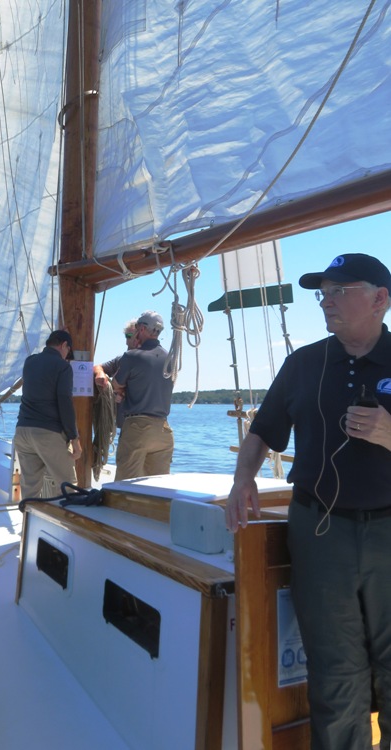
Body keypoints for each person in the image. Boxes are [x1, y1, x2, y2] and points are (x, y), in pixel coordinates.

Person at [225, 253, 391, 749]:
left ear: (380, 298)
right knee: (335, 670)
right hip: (321, 532)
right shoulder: (303, 364)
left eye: (340, 290)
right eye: (323, 292)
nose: (326, 300)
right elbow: (264, 431)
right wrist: (242, 480)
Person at [13, 330, 82, 499]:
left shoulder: (30, 362)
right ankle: (66, 525)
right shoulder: (63, 367)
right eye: (68, 351)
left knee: (30, 488)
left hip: (22, 431)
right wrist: (74, 439)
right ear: (64, 345)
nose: (67, 356)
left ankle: (28, 523)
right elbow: (65, 403)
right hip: (47, 433)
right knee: (68, 485)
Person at [113, 311, 174, 480]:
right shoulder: (171, 357)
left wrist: (123, 391)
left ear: (141, 328)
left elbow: (116, 384)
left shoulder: (131, 356)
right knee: (158, 488)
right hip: (163, 430)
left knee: (125, 485)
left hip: (137, 429)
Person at [93, 318, 140, 428]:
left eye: (130, 336)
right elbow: (98, 367)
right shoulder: (121, 360)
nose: (127, 341)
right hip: (125, 427)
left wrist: (122, 393)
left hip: (140, 426)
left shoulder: (149, 362)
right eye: (126, 336)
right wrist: (100, 374)